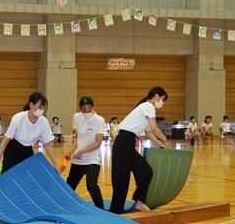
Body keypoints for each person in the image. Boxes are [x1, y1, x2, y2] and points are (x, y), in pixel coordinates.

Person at [0, 92, 60, 224]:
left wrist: (55, 164)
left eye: (43, 108)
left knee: (27, 182)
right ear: (31, 104)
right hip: (13, 149)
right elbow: (5, 140)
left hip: (27, 151)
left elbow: (48, 145)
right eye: (39, 107)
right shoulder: (18, 118)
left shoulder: (44, 122)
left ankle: (21, 211)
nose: (41, 110)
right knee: (6, 181)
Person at [110, 86, 169, 214]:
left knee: (145, 172)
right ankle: (116, 209)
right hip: (123, 141)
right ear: (156, 97)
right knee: (121, 178)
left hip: (128, 142)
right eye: (162, 100)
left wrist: (160, 144)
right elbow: (154, 128)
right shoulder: (148, 106)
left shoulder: (145, 108)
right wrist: (164, 139)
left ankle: (139, 201)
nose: (161, 103)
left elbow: (148, 133)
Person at [65, 97, 106, 209]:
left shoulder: (99, 120)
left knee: (91, 185)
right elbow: (77, 138)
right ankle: (64, 208)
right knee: (70, 186)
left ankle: (101, 210)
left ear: (93, 107)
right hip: (78, 160)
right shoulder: (77, 117)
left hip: (92, 160)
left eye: (88, 109)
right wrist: (70, 152)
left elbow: (98, 143)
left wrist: (82, 151)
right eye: (83, 110)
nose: (86, 112)